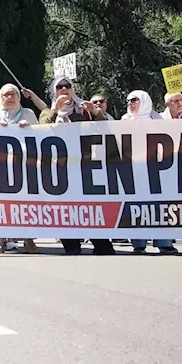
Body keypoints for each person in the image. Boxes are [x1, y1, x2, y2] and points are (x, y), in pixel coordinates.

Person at [39, 75, 114, 255]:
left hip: (85, 166)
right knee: (65, 207)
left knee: (92, 207)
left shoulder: (84, 111)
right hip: (61, 169)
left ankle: (101, 243)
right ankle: (71, 244)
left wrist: (96, 113)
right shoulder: (47, 113)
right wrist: (55, 111)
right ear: (54, 92)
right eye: (59, 87)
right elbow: (42, 130)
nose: (64, 90)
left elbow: (108, 131)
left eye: (67, 86)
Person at [0, 84, 40, 254]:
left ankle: (29, 241)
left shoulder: (28, 114)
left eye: (13, 93)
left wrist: (28, 128)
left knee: (26, 204)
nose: (9, 97)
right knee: (2, 204)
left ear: (18, 96)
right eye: (5, 94)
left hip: (24, 166)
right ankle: (0, 241)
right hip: (2, 167)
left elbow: (40, 134)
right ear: (1, 98)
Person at [121, 90, 176, 255]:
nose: (130, 103)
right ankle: (138, 243)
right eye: (128, 100)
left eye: (134, 100)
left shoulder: (156, 120)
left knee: (159, 206)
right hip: (133, 170)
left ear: (144, 101)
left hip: (156, 169)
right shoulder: (124, 121)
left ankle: (164, 243)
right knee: (136, 207)